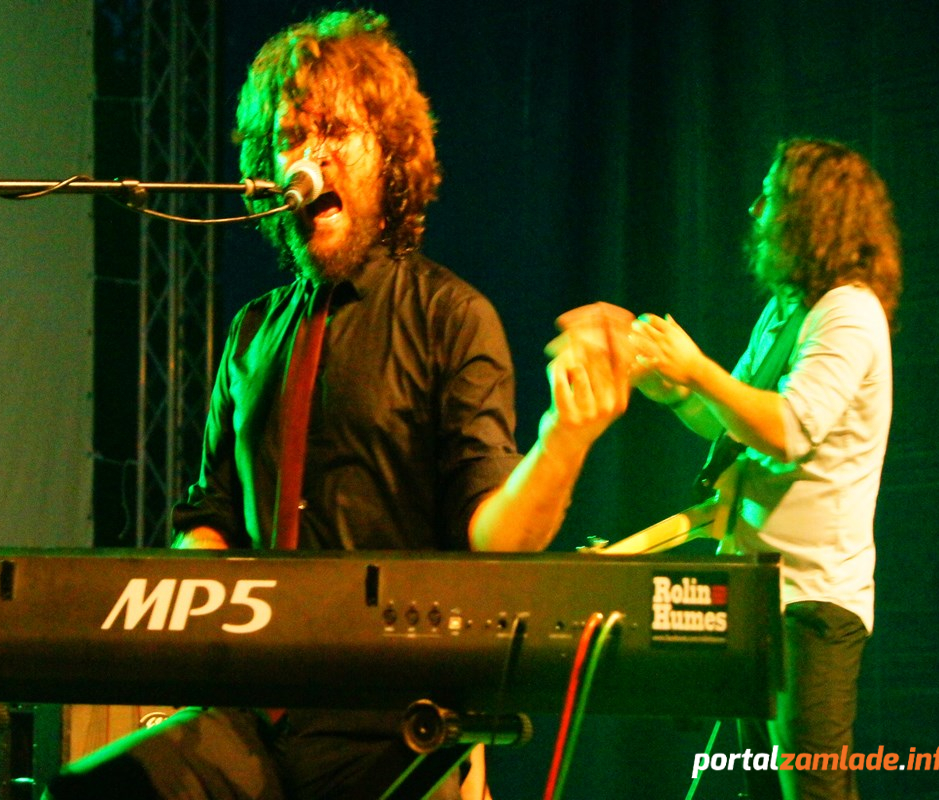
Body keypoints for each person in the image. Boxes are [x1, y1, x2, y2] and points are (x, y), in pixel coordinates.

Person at [46, 10, 629, 800]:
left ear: (389, 156)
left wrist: (565, 440)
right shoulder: (252, 332)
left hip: (390, 723)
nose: (309, 158)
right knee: (91, 792)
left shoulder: (452, 319)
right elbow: (211, 516)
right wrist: (188, 629)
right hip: (250, 717)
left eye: (335, 132)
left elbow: (493, 538)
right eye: (291, 138)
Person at [629, 138, 901, 800]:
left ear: (813, 212)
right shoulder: (788, 309)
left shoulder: (849, 312)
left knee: (813, 790)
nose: (755, 209)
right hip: (759, 596)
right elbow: (737, 421)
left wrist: (698, 369)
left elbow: (787, 430)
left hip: (811, 603)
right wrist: (674, 393)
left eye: (771, 196)